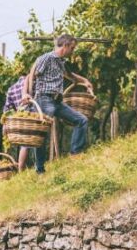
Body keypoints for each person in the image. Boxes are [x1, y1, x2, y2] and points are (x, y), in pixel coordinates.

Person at [22, 34, 93, 174]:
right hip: (43, 99)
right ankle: (40, 170)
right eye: (72, 48)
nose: (73, 51)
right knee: (41, 134)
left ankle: (75, 154)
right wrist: (25, 93)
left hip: (57, 101)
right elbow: (30, 76)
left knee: (81, 120)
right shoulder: (46, 58)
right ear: (65, 46)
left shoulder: (61, 62)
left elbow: (71, 76)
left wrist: (85, 81)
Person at [3, 74, 31, 171]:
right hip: (31, 114)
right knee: (32, 141)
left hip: (20, 117)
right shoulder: (30, 81)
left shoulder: (11, 89)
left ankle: (20, 168)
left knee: (24, 142)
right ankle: (21, 168)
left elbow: (7, 109)